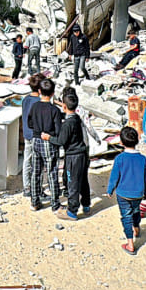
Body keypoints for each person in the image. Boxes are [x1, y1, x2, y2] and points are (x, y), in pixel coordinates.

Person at [41, 90, 90, 221]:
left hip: (73, 157)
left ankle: (72, 211)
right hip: (82, 154)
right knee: (83, 181)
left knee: (72, 183)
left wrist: (48, 137)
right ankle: (86, 205)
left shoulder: (67, 124)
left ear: (64, 106)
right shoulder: (76, 118)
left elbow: (61, 141)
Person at [107, 127, 146, 255]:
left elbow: (114, 177)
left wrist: (110, 190)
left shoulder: (120, 158)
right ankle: (136, 228)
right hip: (138, 193)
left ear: (121, 142)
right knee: (136, 211)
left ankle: (130, 244)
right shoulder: (142, 159)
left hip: (123, 194)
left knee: (126, 217)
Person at [27, 78, 63, 212]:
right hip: (49, 141)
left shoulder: (34, 107)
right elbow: (58, 130)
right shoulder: (55, 110)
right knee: (52, 172)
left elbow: (30, 123)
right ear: (53, 93)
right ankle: (55, 203)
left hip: (36, 140)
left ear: (39, 91)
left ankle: (34, 202)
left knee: (35, 172)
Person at [21, 73, 44, 198]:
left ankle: (27, 187)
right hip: (37, 135)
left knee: (27, 160)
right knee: (38, 163)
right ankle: (37, 188)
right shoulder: (39, 102)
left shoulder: (26, 99)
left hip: (27, 133)